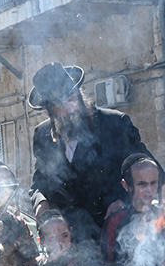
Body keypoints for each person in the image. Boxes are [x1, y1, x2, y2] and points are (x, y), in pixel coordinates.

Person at [28, 62, 153, 242]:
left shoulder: (115, 125)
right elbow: (40, 182)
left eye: (72, 99)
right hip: (69, 243)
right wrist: (41, 203)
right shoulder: (43, 135)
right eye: (59, 106)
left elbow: (149, 172)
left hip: (117, 236)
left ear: (80, 96)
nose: (69, 109)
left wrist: (123, 200)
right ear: (50, 111)